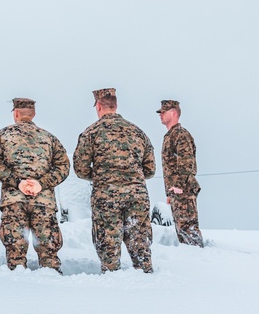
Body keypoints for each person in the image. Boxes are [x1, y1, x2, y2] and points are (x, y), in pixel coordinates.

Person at [73, 88, 156, 273]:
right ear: (116, 106)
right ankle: (148, 279)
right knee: (140, 241)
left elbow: (80, 168)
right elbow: (150, 169)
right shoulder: (138, 132)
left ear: (99, 106)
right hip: (137, 195)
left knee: (108, 245)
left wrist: (102, 176)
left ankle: (111, 283)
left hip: (106, 196)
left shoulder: (91, 132)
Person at [0, 98, 69, 273]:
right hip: (43, 202)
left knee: (15, 253)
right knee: (49, 254)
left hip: (14, 201)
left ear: (16, 113)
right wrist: (41, 184)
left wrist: (18, 182)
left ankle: (17, 290)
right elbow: (63, 167)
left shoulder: (1, 136)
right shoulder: (49, 138)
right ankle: (53, 285)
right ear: (34, 114)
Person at [158, 99, 204, 247]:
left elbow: (186, 162)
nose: (161, 115)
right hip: (177, 191)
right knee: (182, 231)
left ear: (174, 113)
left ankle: (200, 260)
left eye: (163, 112)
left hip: (183, 190)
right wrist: (170, 193)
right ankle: (193, 259)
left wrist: (178, 186)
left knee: (189, 231)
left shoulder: (180, 134)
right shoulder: (170, 135)